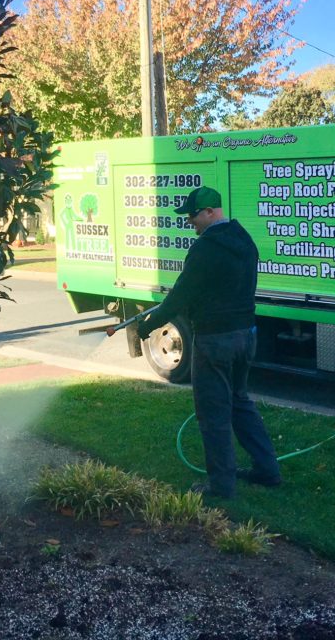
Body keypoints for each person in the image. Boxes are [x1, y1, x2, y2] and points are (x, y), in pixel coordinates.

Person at [137, 186, 281, 499]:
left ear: (210, 212)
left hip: (216, 339)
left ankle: (221, 486)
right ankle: (267, 470)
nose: (191, 223)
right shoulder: (244, 240)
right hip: (246, 335)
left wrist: (149, 324)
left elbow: (180, 295)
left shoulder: (205, 249)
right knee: (240, 402)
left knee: (213, 413)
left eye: (193, 216)